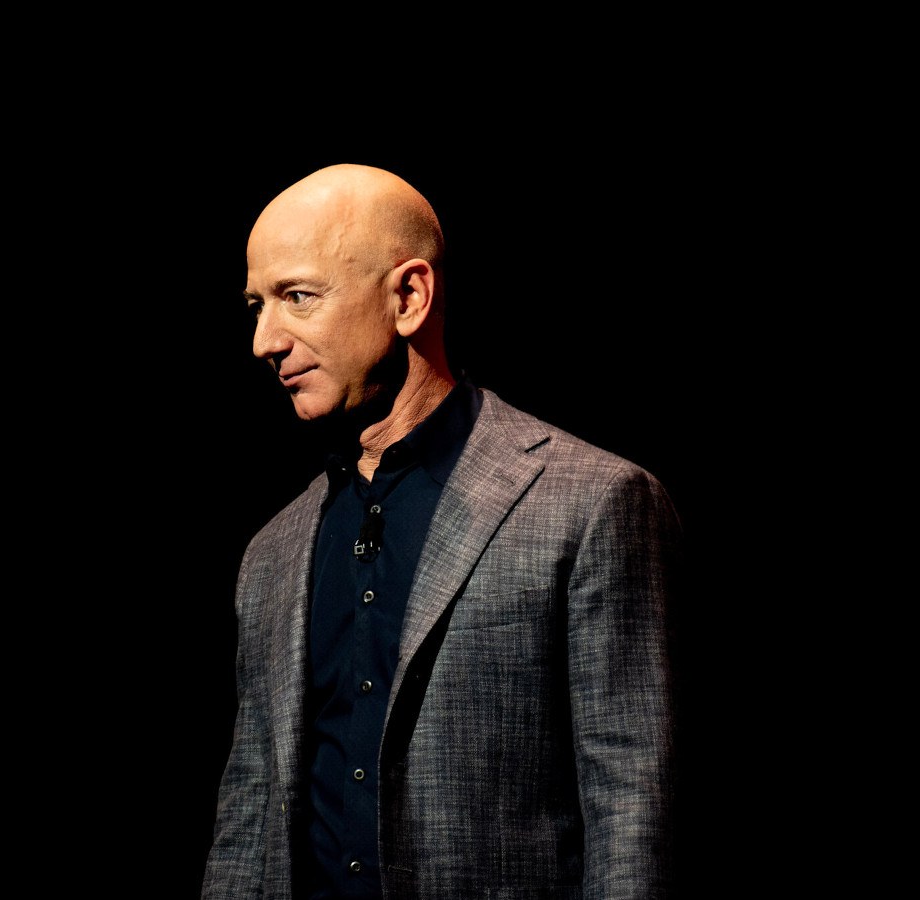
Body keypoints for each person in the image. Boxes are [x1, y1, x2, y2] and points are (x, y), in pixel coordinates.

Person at [201, 163, 683, 899]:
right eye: (256, 305)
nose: (265, 340)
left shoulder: (590, 504)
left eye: (298, 296)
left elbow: (633, 809)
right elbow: (249, 815)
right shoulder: (272, 553)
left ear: (409, 297)